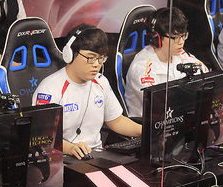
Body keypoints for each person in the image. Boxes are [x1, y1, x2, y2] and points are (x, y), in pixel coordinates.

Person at [124, 7, 223, 117]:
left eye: (183, 36)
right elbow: (164, 109)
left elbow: (213, 84)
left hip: (185, 125)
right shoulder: (143, 70)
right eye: (175, 38)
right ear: (156, 38)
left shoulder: (182, 56)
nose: (181, 42)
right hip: (153, 135)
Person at [32, 24, 141, 159]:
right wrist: (70, 148)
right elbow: (42, 137)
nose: (96, 64)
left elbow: (116, 121)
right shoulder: (49, 89)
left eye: (101, 58)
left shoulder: (101, 82)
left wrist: (145, 131)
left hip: (97, 155)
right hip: (63, 159)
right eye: (90, 57)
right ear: (70, 54)